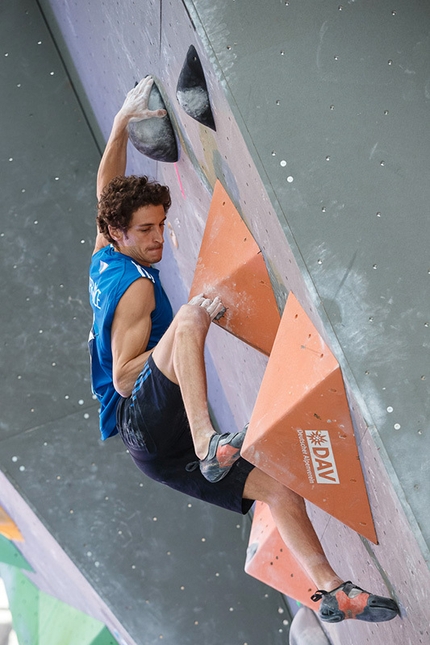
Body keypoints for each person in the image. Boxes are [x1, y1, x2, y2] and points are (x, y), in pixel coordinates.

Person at [88, 77, 400, 624]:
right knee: (189, 316)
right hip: (148, 424)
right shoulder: (133, 287)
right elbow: (121, 378)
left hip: (158, 458)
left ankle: (332, 592)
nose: (160, 238)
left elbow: (105, 186)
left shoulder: (106, 250)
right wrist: (186, 336)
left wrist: (120, 124)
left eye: (161, 225)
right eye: (148, 230)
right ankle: (211, 441)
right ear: (119, 232)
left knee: (277, 487)